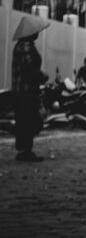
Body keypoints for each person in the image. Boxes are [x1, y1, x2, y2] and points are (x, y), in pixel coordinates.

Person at [10, 15, 50, 162]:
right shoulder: (26, 46)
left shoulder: (20, 45)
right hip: (26, 90)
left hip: (20, 90)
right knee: (29, 119)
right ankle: (26, 151)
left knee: (23, 120)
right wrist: (42, 76)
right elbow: (29, 69)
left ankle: (24, 149)